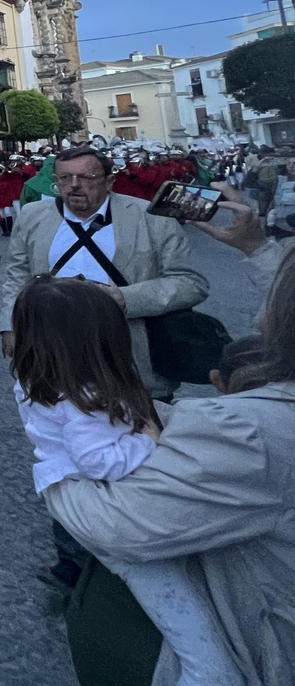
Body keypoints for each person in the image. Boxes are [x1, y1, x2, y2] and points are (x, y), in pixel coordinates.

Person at [46, 246, 295, 686]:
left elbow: (119, 524)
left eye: (270, 304)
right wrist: (259, 247)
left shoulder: (250, 430)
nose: (257, 321)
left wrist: (52, 465)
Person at [11, 276, 245, 686]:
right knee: (198, 647)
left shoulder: (40, 380)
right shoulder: (82, 400)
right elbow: (104, 462)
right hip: (113, 514)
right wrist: (149, 439)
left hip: (89, 502)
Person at [0, 145, 209, 399]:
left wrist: (125, 298)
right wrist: (9, 326)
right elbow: (18, 275)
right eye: (65, 178)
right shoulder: (32, 216)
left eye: (86, 177)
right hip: (53, 351)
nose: (74, 185)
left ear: (109, 181)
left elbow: (191, 283)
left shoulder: (153, 218)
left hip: (127, 348)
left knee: (141, 431)